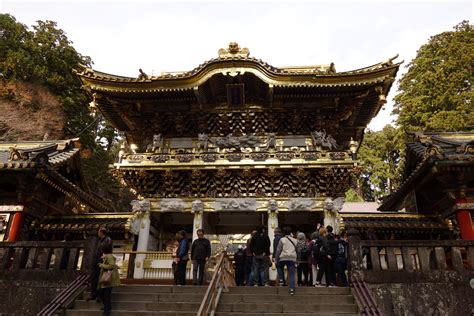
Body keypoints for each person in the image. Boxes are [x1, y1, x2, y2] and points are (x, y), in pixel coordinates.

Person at [89, 227, 112, 301]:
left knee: (100, 279)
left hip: (103, 261)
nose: (98, 234)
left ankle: (99, 295)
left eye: (99, 232)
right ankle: (93, 294)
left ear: (102, 232)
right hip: (97, 260)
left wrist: (104, 258)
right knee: (94, 278)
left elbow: (107, 250)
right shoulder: (99, 240)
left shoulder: (108, 240)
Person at [97, 243, 120, 316]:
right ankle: (107, 307)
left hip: (109, 278)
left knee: (106, 294)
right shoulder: (108, 256)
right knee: (102, 293)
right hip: (108, 278)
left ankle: (107, 311)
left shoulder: (109, 256)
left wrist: (102, 265)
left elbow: (112, 265)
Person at [275, 226, 297, 295]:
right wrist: (298, 259)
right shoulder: (295, 240)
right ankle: (291, 289)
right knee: (291, 274)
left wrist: (276, 259)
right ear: (290, 232)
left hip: (283, 257)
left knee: (279, 267)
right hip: (292, 258)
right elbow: (298, 250)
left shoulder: (282, 240)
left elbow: (278, 250)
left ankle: (281, 280)